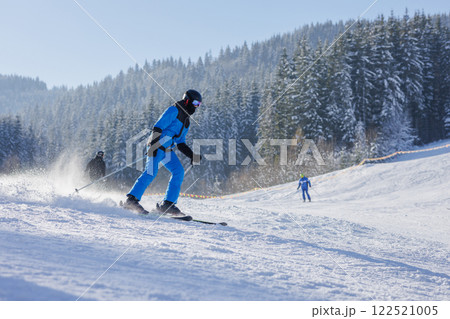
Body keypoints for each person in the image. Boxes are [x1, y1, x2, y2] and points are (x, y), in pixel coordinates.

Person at [123, 89, 202, 215]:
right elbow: (158, 126)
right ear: (187, 100)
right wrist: (153, 145)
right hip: (156, 145)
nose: (196, 107)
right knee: (150, 173)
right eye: (196, 103)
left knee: (178, 171)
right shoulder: (174, 110)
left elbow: (180, 143)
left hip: (167, 150)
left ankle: (168, 204)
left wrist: (192, 155)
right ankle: (131, 200)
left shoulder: (186, 122)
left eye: (199, 105)